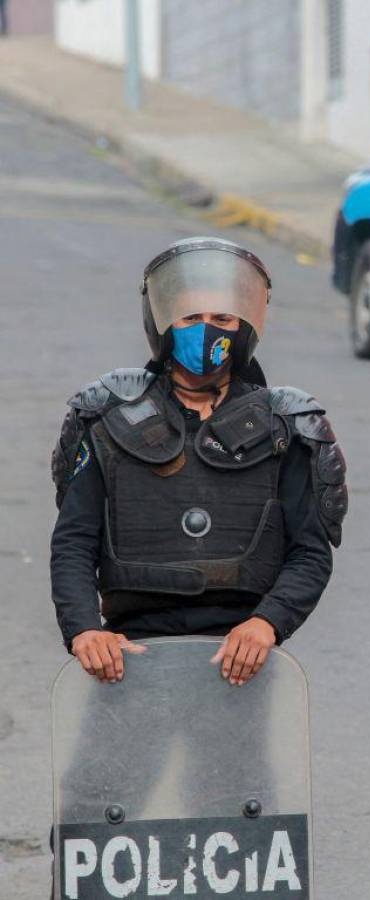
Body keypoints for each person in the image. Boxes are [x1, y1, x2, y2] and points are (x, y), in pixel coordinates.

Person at [50, 236, 347, 685]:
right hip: (128, 654)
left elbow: (309, 552)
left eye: (222, 318)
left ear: (244, 326)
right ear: (164, 323)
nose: (207, 329)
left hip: (239, 658)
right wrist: (85, 630)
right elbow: (73, 541)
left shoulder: (283, 427)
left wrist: (266, 622)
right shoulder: (110, 419)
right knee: (106, 760)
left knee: (247, 760)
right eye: (191, 317)